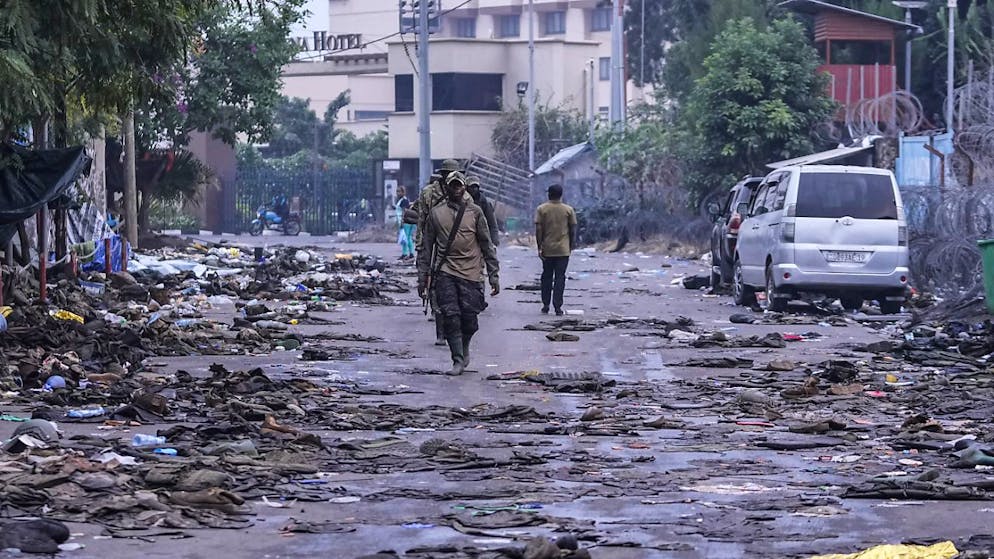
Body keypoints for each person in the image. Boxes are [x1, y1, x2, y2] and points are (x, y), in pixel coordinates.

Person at [418, 172, 500, 375]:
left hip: (472, 273)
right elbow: (426, 248)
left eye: (459, 186)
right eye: (452, 186)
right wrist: (423, 278)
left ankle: (464, 348)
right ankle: (457, 359)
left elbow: (486, 244)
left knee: (469, 320)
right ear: (446, 188)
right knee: (451, 316)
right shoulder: (436, 214)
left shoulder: (476, 213)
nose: (456, 189)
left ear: (464, 188)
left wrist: (493, 274)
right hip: (445, 271)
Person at [412, 159, 472, 345]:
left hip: (456, 247)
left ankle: (453, 328)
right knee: (434, 286)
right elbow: (422, 220)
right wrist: (422, 245)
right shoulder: (428, 193)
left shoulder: (464, 195)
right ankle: (441, 331)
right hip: (433, 243)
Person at [534, 184, 577, 316]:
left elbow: (539, 229)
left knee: (546, 276)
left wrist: (539, 245)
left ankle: (545, 304)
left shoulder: (542, 209)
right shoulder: (568, 210)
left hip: (548, 248)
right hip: (563, 249)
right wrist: (571, 245)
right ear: (561, 195)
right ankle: (558, 307)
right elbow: (573, 229)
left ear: (549, 194)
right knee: (560, 277)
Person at [465, 175, 499, 249]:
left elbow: (492, 224)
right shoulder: (462, 201)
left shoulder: (484, 203)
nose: (474, 189)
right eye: (471, 187)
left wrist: (494, 242)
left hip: (481, 237)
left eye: (476, 187)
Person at [394, 186, 415, 260]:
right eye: (397, 191)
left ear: (403, 192)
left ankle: (406, 253)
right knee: (407, 237)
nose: (397, 193)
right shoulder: (402, 200)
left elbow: (404, 211)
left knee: (406, 238)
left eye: (399, 191)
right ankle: (409, 253)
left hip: (405, 221)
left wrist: (403, 221)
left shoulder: (404, 201)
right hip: (406, 221)